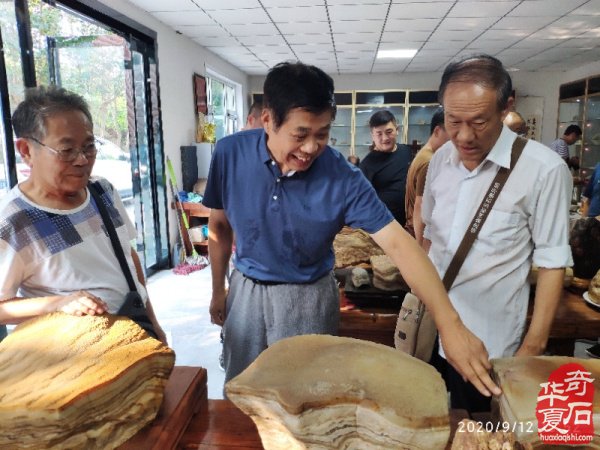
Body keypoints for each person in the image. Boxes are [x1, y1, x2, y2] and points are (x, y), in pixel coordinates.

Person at [203, 61, 501, 400]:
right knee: (243, 391)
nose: (312, 147)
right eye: (300, 134)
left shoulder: (343, 177)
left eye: (323, 134)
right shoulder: (230, 153)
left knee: (305, 398)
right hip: (246, 290)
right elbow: (219, 226)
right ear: (268, 120)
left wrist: (450, 323)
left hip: (307, 297)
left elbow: (400, 246)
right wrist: (218, 290)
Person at [422, 54, 573, 412]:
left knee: (484, 432)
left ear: (507, 106)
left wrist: (531, 351)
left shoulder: (543, 169)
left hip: (489, 348)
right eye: (453, 120)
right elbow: (429, 237)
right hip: (432, 333)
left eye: (478, 121)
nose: (464, 135)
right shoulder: (441, 161)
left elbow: (553, 262)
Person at [0, 85, 166, 344]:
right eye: (66, 150)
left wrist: (153, 323)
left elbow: (127, 256)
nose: (82, 160)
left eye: (89, 147)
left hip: (135, 332)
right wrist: (58, 303)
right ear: (26, 151)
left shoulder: (102, 191)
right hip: (75, 354)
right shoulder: (14, 221)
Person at [359, 110, 413, 226]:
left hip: (409, 223)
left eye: (389, 132)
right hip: (383, 227)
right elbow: (361, 202)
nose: (384, 138)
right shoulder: (366, 165)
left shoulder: (406, 151)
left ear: (397, 130)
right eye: (379, 134)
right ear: (372, 135)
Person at [405, 108, 448, 245]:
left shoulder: (424, 154)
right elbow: (420, 206)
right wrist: (421, 245)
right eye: (451, 132)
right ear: (437, 131)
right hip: (420, 234)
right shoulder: (429, 161)